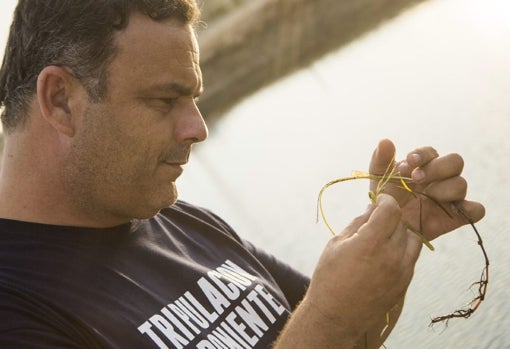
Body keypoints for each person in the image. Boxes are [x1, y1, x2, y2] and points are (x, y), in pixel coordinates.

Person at [0, 1, 485, 348]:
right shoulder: (16, 310)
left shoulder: (179, 219)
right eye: (165, 100)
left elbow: (353, 333)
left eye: (194, 99)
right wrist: (328, 323)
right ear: (61, 100)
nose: (198, 128)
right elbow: (328, 330)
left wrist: (390, 243)